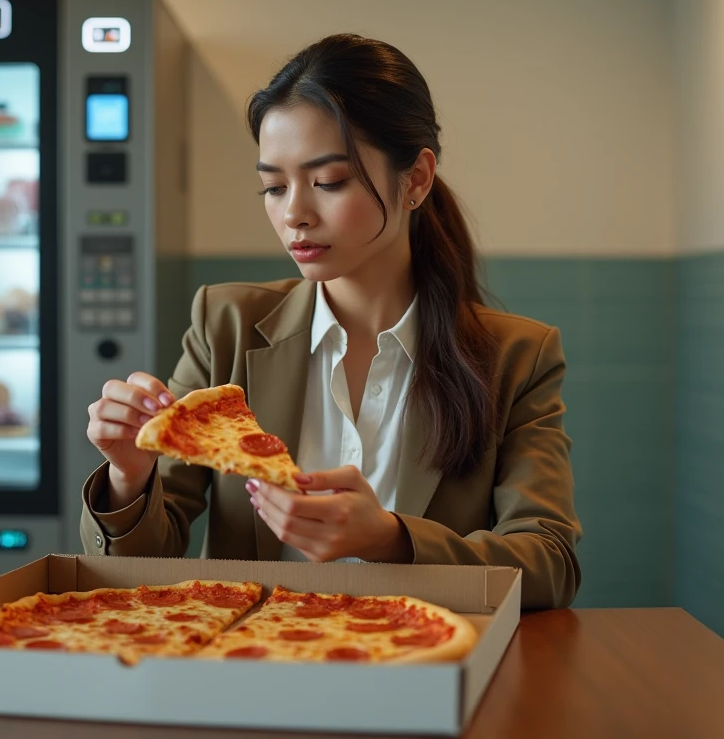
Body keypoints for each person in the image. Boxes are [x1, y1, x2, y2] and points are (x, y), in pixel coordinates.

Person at [80, 34, 581, 609]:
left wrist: (391, 539)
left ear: (415, 179)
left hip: (424, 672)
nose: (293, 212)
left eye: (328, 182)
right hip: (256, 667)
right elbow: (138, 566)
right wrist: (130, 474)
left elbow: (550, 563)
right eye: (273, 186)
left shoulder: (516, 355)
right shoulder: (227, 325)